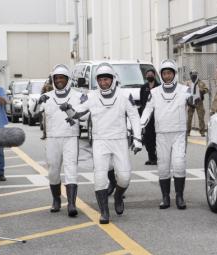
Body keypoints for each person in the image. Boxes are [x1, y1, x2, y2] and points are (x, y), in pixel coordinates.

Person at [60, 62, 142, 224]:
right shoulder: (91, 97)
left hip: (119, 140)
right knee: (99, 177)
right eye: (100, 80)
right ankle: (104, 212)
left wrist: (138, 139)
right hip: (100, 141)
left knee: (124, 177)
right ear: (97, 81)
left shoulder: (124, 96)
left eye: (106, 79)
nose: (103, 83)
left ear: (113, 79)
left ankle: (118, 196)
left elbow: (134, 116)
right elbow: (77, 113)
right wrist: (68, 108)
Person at [140, 59, 192, 210]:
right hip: (161, 134)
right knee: (163, 166)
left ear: (174, 74)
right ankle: (165, 197)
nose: (167, 76)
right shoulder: (154, 92)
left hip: (179, 133)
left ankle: (180, 197)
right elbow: (147, 111)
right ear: (161, 75)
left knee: (179, 164)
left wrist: (194, 90)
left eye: (169, 73)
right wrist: (140, 127)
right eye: (164, 73)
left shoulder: (184, 90)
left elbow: (195, 101)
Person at [35, 64, 83, 217]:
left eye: (62, 78)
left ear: (68, 79)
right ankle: (56, 199)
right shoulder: (48, 97)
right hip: (53, 138)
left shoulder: (77, 95)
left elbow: (84, 115)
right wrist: (38, 101)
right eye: (56, 78)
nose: (59, 80)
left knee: (71, 169)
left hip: (70, 137)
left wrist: (71, 111)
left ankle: (71, 204)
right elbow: (32, 112)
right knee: (53, 171)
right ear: (53, 80)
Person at [138, 69, 159, 165]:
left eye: (151, 74)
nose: (149, 76)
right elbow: (142, 102)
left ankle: (155, 157)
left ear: (154, 75)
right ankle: (151, 157)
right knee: (147, 138)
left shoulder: (159, 87)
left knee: (155, 138)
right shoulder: (143, 87)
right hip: (146, 118)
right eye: (148, 74)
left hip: (156, 117)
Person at [186, 70, 208, 136]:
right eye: (192, 75)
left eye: (195, 75)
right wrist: (187, 100)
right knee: (189, 118)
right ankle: (188, 132)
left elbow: (206, 89)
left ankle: (202, 132)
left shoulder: (201, 83)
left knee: (201, 117)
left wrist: (203, 91)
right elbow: (185, 91)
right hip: (191, 102)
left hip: (199, 101)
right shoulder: (189, 82)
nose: (193, 76)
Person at [39, 76, 53, 140]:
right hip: (47, 105)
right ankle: (44, 134)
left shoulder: (56, 86)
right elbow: (42, 94)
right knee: (44, 121)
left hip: (54, 105)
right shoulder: (46, 85)